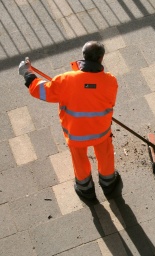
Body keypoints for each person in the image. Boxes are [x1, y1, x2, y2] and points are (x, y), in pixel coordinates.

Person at [18, 41, 120, 200]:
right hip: (101, 131)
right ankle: (108, 182)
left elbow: (40, 91)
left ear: (83, 56)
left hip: (76, 134)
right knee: (105, 155)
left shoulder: (65, 80)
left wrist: (27, 73)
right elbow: (109, 101)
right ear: (101, 58)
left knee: (79, 160)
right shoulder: (110, 81)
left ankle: (85, 188)